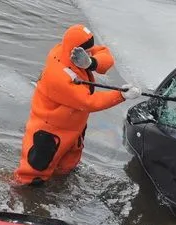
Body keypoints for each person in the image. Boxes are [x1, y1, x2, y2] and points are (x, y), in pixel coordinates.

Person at [13, 24, 141, 186]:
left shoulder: (71, 51)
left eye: (89, 51)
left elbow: (105, 53)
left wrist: (91, 63)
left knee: (67, 167)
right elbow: (88, 102)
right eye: (87, 51)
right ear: (73, 50)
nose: (89, 52)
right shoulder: (59, 75)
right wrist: (121, 95)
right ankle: (19, 196)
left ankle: (58, 188)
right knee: (34, 172)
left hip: (73, 129)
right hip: (50, 132)